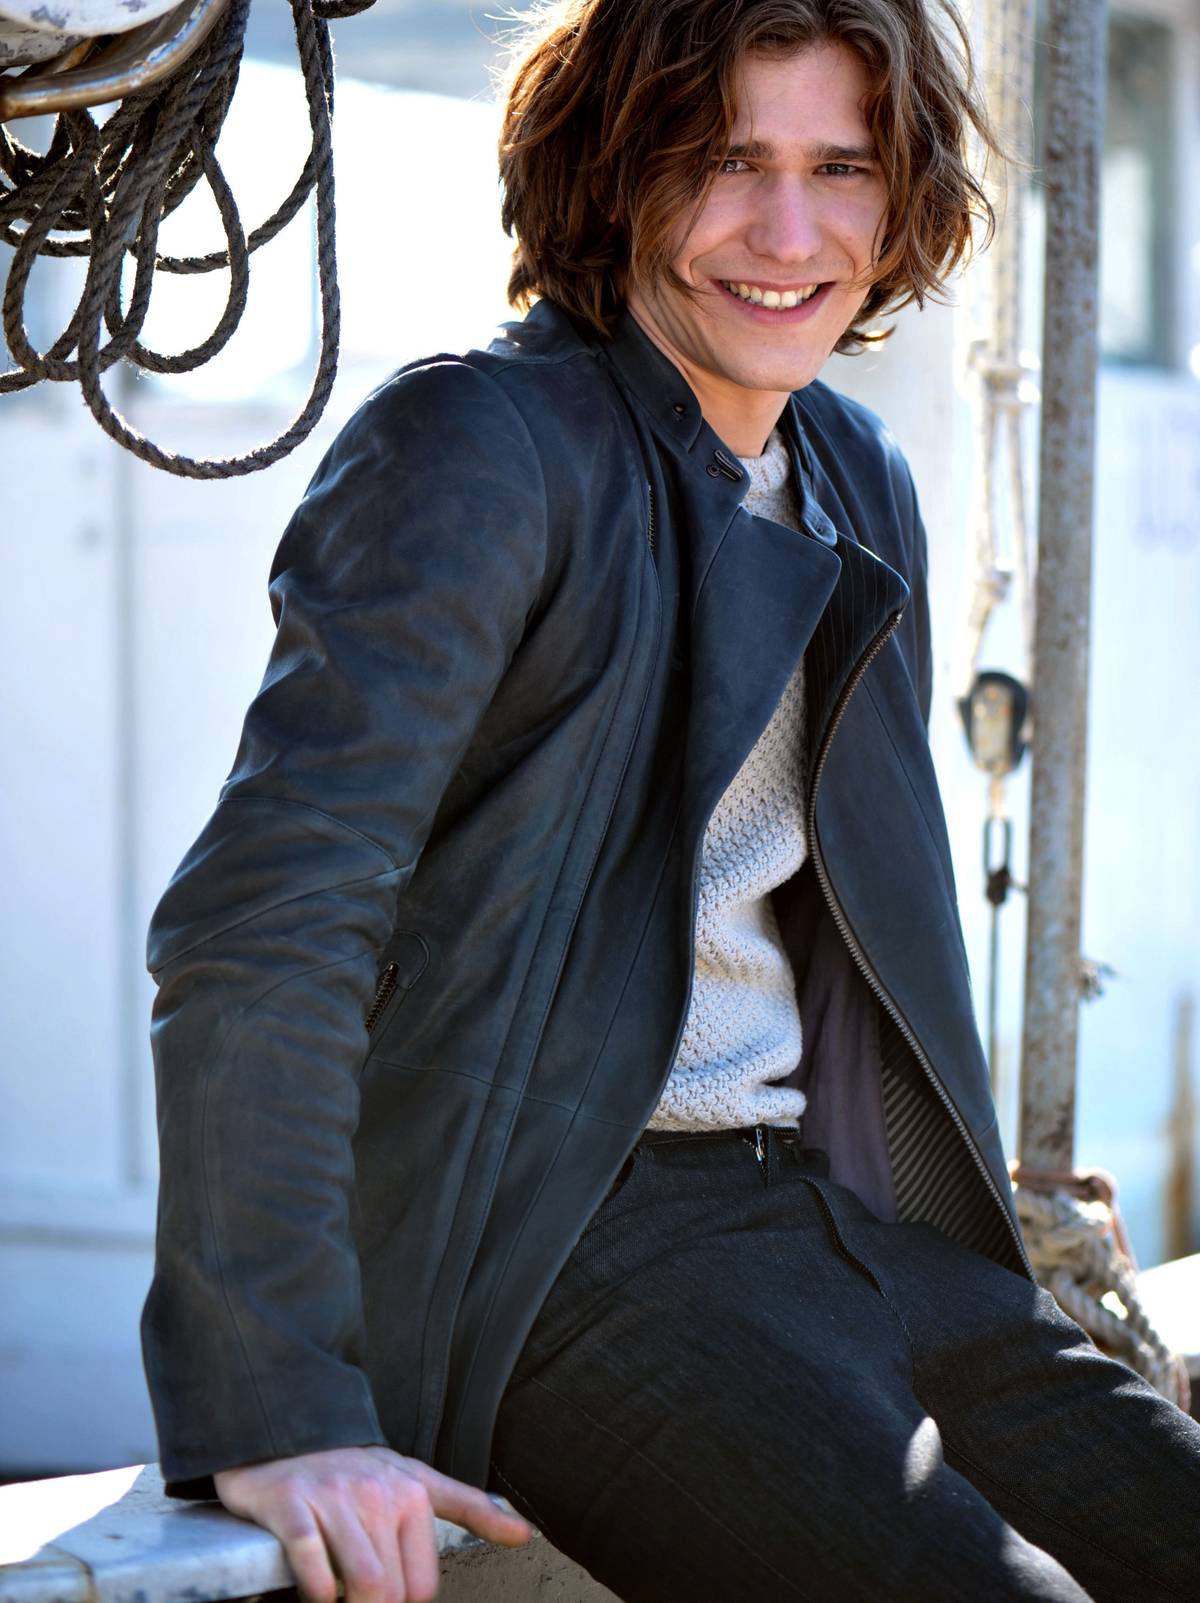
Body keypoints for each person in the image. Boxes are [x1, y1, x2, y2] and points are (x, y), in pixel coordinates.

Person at [139, 2, 1200, 1600]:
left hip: (832, 1228)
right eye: (723, 162)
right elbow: (267, 918)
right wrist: (277, 1403)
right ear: (611, 173)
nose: (789, 234)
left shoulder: (856, 475)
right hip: (565, 1257)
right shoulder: (474, 444)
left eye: (841, 167)